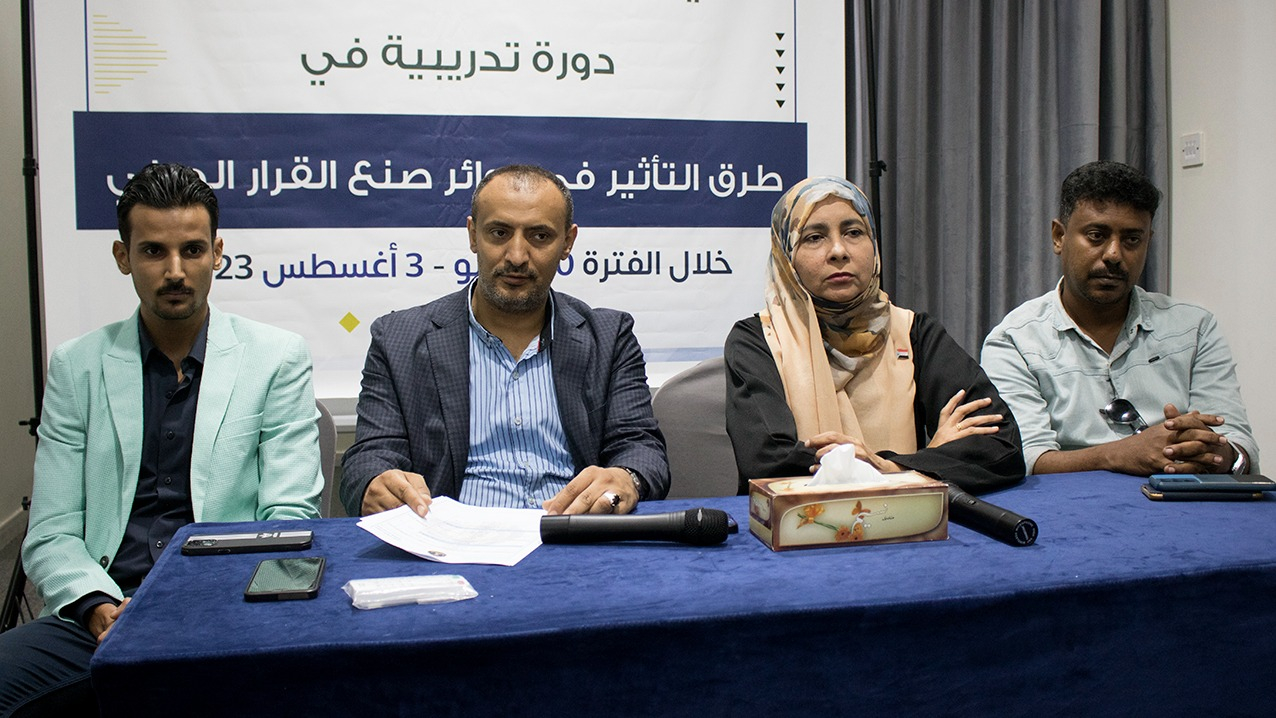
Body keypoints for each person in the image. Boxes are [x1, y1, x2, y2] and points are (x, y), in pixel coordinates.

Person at [0, 163, 323, 716]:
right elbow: (52, 532)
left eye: (192, 250)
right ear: (122, 256)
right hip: (102, 611)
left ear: (217, 253)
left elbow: (290, 515)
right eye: (153, 251)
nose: (176, 271)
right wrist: (99, 606)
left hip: (227, 604)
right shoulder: (77, 367)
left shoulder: (276, 358)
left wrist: (206, 602)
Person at [341, 164, 669, 518]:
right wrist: (375, 481)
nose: (516, 256)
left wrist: (627, 477)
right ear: (472, 235)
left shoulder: (608, 337)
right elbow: (369, 457)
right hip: (453, 538)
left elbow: (641, 449)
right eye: (499, 233)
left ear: (567, 243)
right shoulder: (398, 339)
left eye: (539, 236)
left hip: (573, 531)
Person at [724, 176, 1024, 494]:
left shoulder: (914, 333)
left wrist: (893, 468)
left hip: (905, 521)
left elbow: (1002, 447)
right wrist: (924, 463)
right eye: (814, 237)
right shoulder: (758, 340)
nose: (838, 251)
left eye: (854, 232)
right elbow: (769, 463)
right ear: (786, 256)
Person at [981, 160, 1258, 476]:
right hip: (1069, 504)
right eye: (1096, 236)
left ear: (1148, 241)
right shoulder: (1015, 341)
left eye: (1132, 240)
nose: (1114, 254)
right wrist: (1118, 455)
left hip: (1183, 500)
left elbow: (1241, 447)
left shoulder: (1194, 329)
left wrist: (1218, 452)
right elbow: (1026, 460)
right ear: (1059, 237)